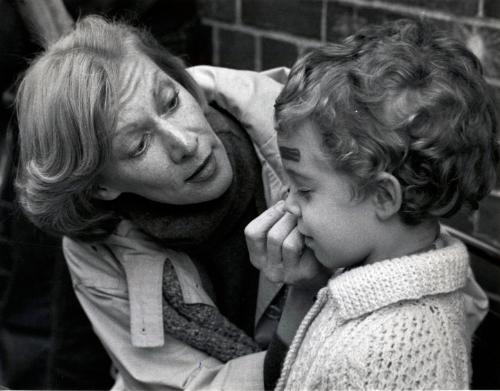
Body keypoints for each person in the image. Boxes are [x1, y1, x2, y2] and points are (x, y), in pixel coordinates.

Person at [15, 15, 328, 390]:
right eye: (139, 145)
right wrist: (303, 295)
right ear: (101, 187)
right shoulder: (97, 246)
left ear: (181, 81)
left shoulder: (312, 132)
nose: (184, 142)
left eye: (170, 101)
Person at [242, 19, 498, 390]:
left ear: (382, 196)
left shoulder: (378, 361)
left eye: (304, 189)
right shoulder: (373, 285)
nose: (288, 205)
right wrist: (304, 286)